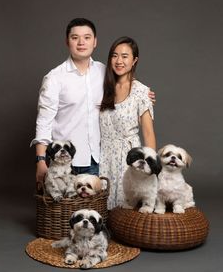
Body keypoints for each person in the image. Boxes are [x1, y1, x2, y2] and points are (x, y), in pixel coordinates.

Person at [31, 18, 155, 189]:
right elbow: (44, 122)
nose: (81, 42)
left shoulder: (104, 72)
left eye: (87, 37)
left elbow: (124, 81)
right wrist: (40, 160)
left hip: (98, 160)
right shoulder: (54, 78)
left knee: (95, 214)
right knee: (66, 213)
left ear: (95, 42)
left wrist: (143, 94)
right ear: (67, 41)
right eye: (75, 38)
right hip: (65, 162)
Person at [99, 36, 156, 210]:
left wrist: (151, 168)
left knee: (126, 208)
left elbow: (148, 133)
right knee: (102, 207)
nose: (119, 61)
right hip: (104, 155)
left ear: (134, 60)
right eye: (114, 56)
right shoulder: (103, 86)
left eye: (125, 56)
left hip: (127, 156)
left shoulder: (141, 91)